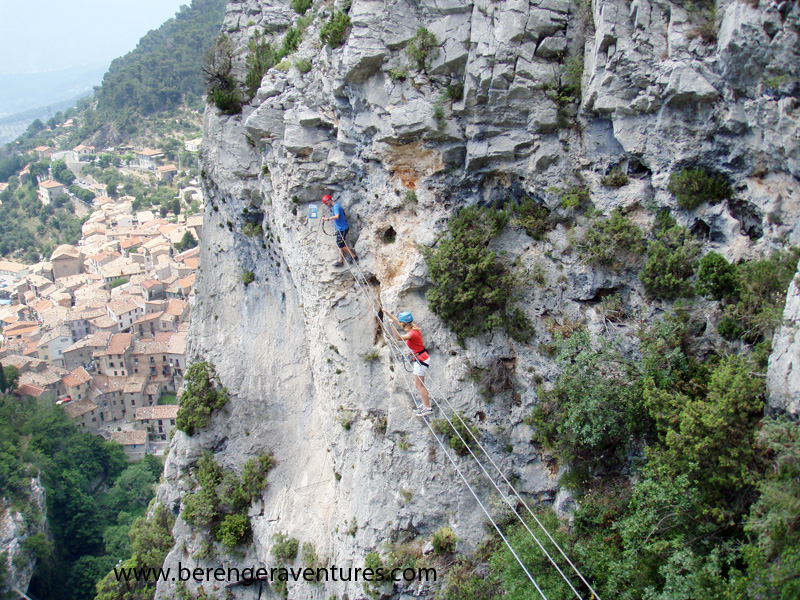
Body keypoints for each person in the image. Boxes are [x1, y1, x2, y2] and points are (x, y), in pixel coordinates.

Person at [384, 310, 432, 416]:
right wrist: (387, 314)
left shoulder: (412, 333)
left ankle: (427, 408)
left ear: (405, 323)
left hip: (421, 360)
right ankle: (425, 405)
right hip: (420, 358)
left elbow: (398, 338)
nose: (400, 324)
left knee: (420, 385)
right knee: (418, 384)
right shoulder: (413, 327)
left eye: (402, 323)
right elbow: (399, 322)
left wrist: (391, 326)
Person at [321, 194, 358, 267]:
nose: (327, 205)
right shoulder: (334, 207)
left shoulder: (336, 206)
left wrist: (327, 219)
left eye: (327, 203)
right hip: (340, 228)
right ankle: (340, 260)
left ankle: (353, 256)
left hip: (342, 228)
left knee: (341, 244)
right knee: (339, 244)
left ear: (329, 200)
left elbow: (337, 216)